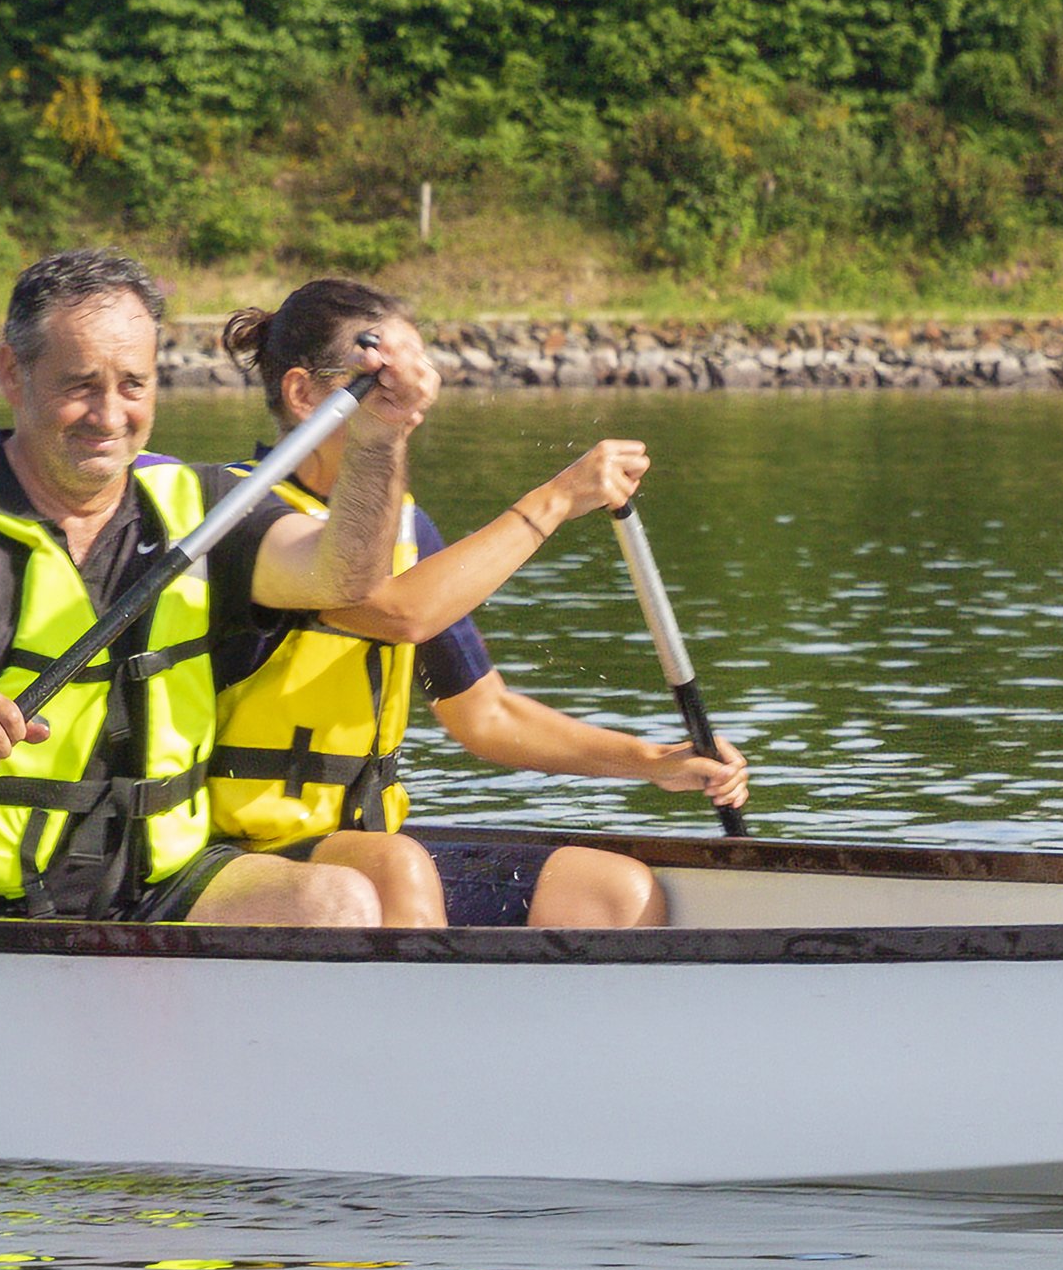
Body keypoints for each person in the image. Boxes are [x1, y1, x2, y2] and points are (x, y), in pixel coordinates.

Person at [0, 246, 440, 929]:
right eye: (79, 386)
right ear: (14, 373)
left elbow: (345, 573)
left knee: (337, 903)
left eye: (133, 385)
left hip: (160, 885)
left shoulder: (205, 508)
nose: (109, 415)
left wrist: (379, 439)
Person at [192, 276, 752, 926]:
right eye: (383, 380)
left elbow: (483, 714)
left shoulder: (408, 530)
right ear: (301, 393)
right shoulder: (243, 516)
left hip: (362, 847)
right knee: (395, 867)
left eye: (415, 376)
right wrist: (556, 499)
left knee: (614, 893)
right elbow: (402, 611)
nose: (411, 399)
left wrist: (654, 761)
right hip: (246, 858)